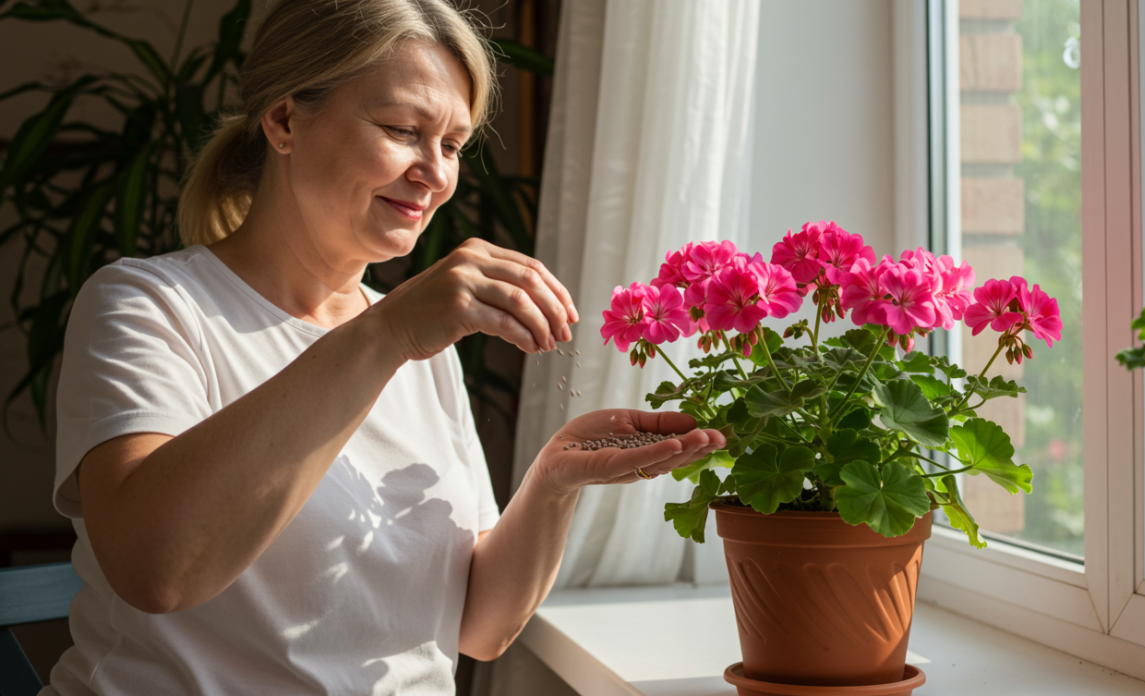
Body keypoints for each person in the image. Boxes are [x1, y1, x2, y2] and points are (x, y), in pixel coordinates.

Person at [44, 1, 724, 694]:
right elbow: (158, 571)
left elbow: (479, 628)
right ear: (284, 121)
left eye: (452, 145)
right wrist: (386, 333)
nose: (435, 173)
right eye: (403, 130)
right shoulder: (152, 305)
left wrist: (553, 482)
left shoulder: (417, 343)